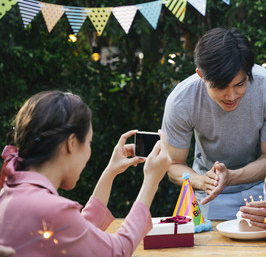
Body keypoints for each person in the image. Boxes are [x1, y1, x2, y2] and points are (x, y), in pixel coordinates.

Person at [0, 91, 171, 256]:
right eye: (89, 142)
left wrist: (110, 172)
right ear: (72, 143)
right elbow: (117, 252)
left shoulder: (9, 192)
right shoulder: (51, 210)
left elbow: (79, 232)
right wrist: (151, 181)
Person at [162, 28, 266, 220]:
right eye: (221, 87)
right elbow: (173, 165)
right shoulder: (181, 100)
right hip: (207, 193)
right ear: (201, 75)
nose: (231, 96)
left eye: (240, 84)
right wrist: (202, 181)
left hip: (262, 188)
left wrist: (231, 177)